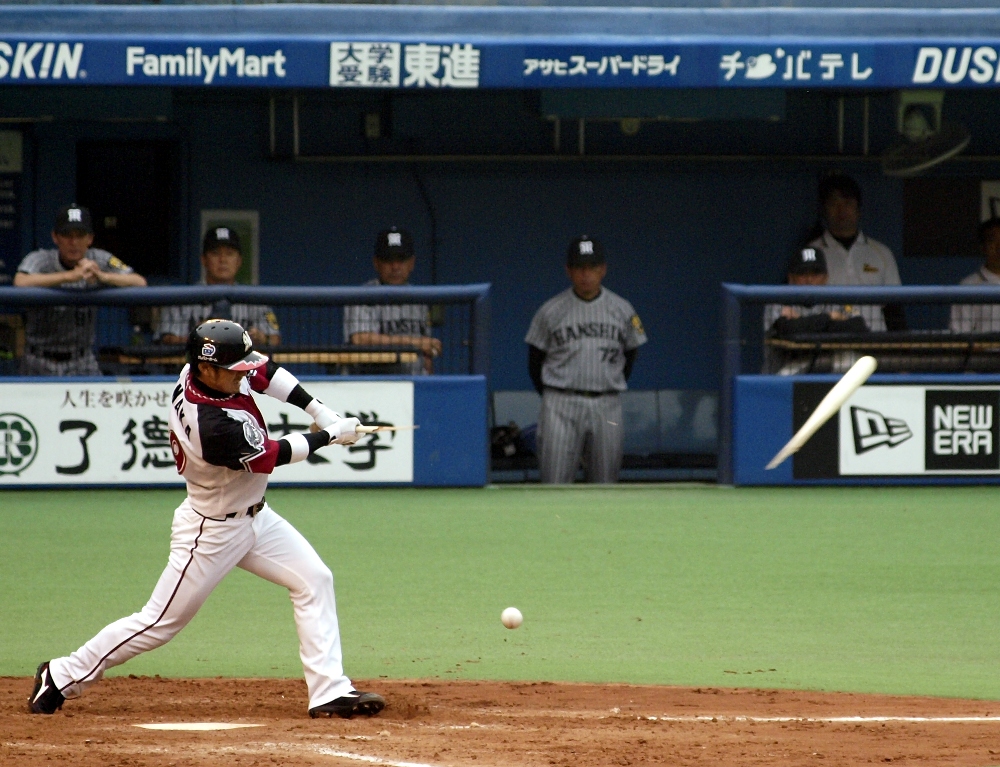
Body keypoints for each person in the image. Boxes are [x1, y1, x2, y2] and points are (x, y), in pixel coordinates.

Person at [28, 319, 385, 721]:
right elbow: (271, 455)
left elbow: (265, 373)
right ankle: (61, 674)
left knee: (314, 579)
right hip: (211, 530)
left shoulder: (202, 371)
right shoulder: (210, 424)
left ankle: (328, 692)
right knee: (160, 622)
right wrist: (331, 435)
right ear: (207, 368)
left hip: (256, 519)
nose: (245, 374)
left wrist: (319, 410)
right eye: (236, 370)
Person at [524, 235, 647, 484]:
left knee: (605, 485)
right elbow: (534, 361)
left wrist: (608, 381)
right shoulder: (550, 310)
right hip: (560, 403)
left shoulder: (623, 308)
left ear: (603, 269)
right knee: (554, 484)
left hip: (607, 403)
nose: (586, 275)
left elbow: (632, 353)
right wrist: (553, 393)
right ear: (568, 271)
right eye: (579, 268)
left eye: (591, 267)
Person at [13, 204, 147, 375]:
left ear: (90, 238)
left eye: (80, 235)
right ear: (55, 237)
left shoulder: (99, 258)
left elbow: (139, 282)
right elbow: (20, 281)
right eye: (67, 235)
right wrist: (70, 276)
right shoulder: (41, 259)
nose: (74, 242)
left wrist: (103, 276)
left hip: (81, 360)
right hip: (39, 358)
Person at [807, 174, 904, 332]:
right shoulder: (811, 253)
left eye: (847, 203)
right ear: (824, 209)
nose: (841, 210)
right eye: (834, 203)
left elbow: (894, 310)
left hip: (873, 344)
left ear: (858, 209)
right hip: (827, 345)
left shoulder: (881, 253)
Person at [157, 227, 280, 347]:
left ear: (239, 261)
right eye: (215, 254)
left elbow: (275, 339)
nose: (223, 260)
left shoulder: (254, 300)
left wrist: (263, 338)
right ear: (204, 260)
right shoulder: (182, 299)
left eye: (229, 254)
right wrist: (196, 337)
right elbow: (165, 339)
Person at [342, 227, 441, 375]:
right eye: (388, 260)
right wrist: (414, 343)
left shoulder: (420, 299)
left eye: (401, 259)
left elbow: (427, 355)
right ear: (376, 263)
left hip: (413, 383)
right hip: (372, 383)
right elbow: (360, 339)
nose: (395, 267)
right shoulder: (361, 296)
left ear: (412, 263)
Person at [763, 246, 868, 375]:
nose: (809, 279)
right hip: (782, 376)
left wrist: (803, 323)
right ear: (791, 278)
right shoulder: (778, 302)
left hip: (830, 375)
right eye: (803, 273)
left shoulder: (838, 300)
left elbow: (858, 327)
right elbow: (790, 330)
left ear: (826, 277)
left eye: (815, 273)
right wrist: (829, 318)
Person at [950, 217, 1000, 333]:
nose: (999, 247)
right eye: (993, 241)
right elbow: (960, 336)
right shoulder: (968, 287)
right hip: (985, 351)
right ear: (983, 247)